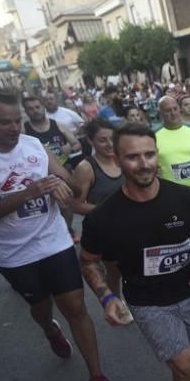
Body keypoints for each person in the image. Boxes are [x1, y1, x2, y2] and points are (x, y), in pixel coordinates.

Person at [0, 89, 117, 381]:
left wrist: (62, 184)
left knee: (76, 307)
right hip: (14, 255)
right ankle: (49, 329)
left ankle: (97, 378)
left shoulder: (32, 145)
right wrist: (30, 191)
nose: (13, 128)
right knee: (40, 308)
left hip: (53, 242)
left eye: (16, 121)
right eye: (4, 122)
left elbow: (66, 178)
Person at [80, 124, 190, 381]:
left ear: (158, 155)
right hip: (147, 302)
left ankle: (181, 364)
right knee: (183, 364)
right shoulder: (102, 218)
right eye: (132, 157)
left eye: (149, 154)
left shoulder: (184, 197)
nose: (143, 164)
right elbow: (88, 261)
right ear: (116, 159)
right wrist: (106, 297)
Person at [71, 119, 124, 295]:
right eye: (102, 140)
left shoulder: (124, 157)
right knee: (115, 272)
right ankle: (117, 301)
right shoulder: (86, 168)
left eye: (113, 138)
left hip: (135, 224)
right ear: (91, 141)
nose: (110, 144)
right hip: (106, 231)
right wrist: (108, 211)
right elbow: (75, 204)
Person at [44, 92, 86, 168]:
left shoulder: (67, 112)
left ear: (56, 100)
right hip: (57, 159)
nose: (49, 101)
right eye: (46, 100)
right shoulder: (43, 117)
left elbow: (82, 123)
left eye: (51, 99)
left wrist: (74, 133)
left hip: (75, 153)